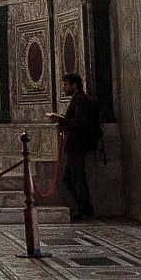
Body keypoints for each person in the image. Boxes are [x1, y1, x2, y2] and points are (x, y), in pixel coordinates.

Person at [56, 73, 101, 222]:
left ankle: (85, 208)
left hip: (78, 145)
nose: (64, 87)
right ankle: (85, 208)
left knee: (76, 178)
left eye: (65, 84)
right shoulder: (78, 99)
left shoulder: (81, 99)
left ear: (74, 85)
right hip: (76, 144)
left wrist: (62, 120)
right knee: (70, 178)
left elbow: (80, 122)